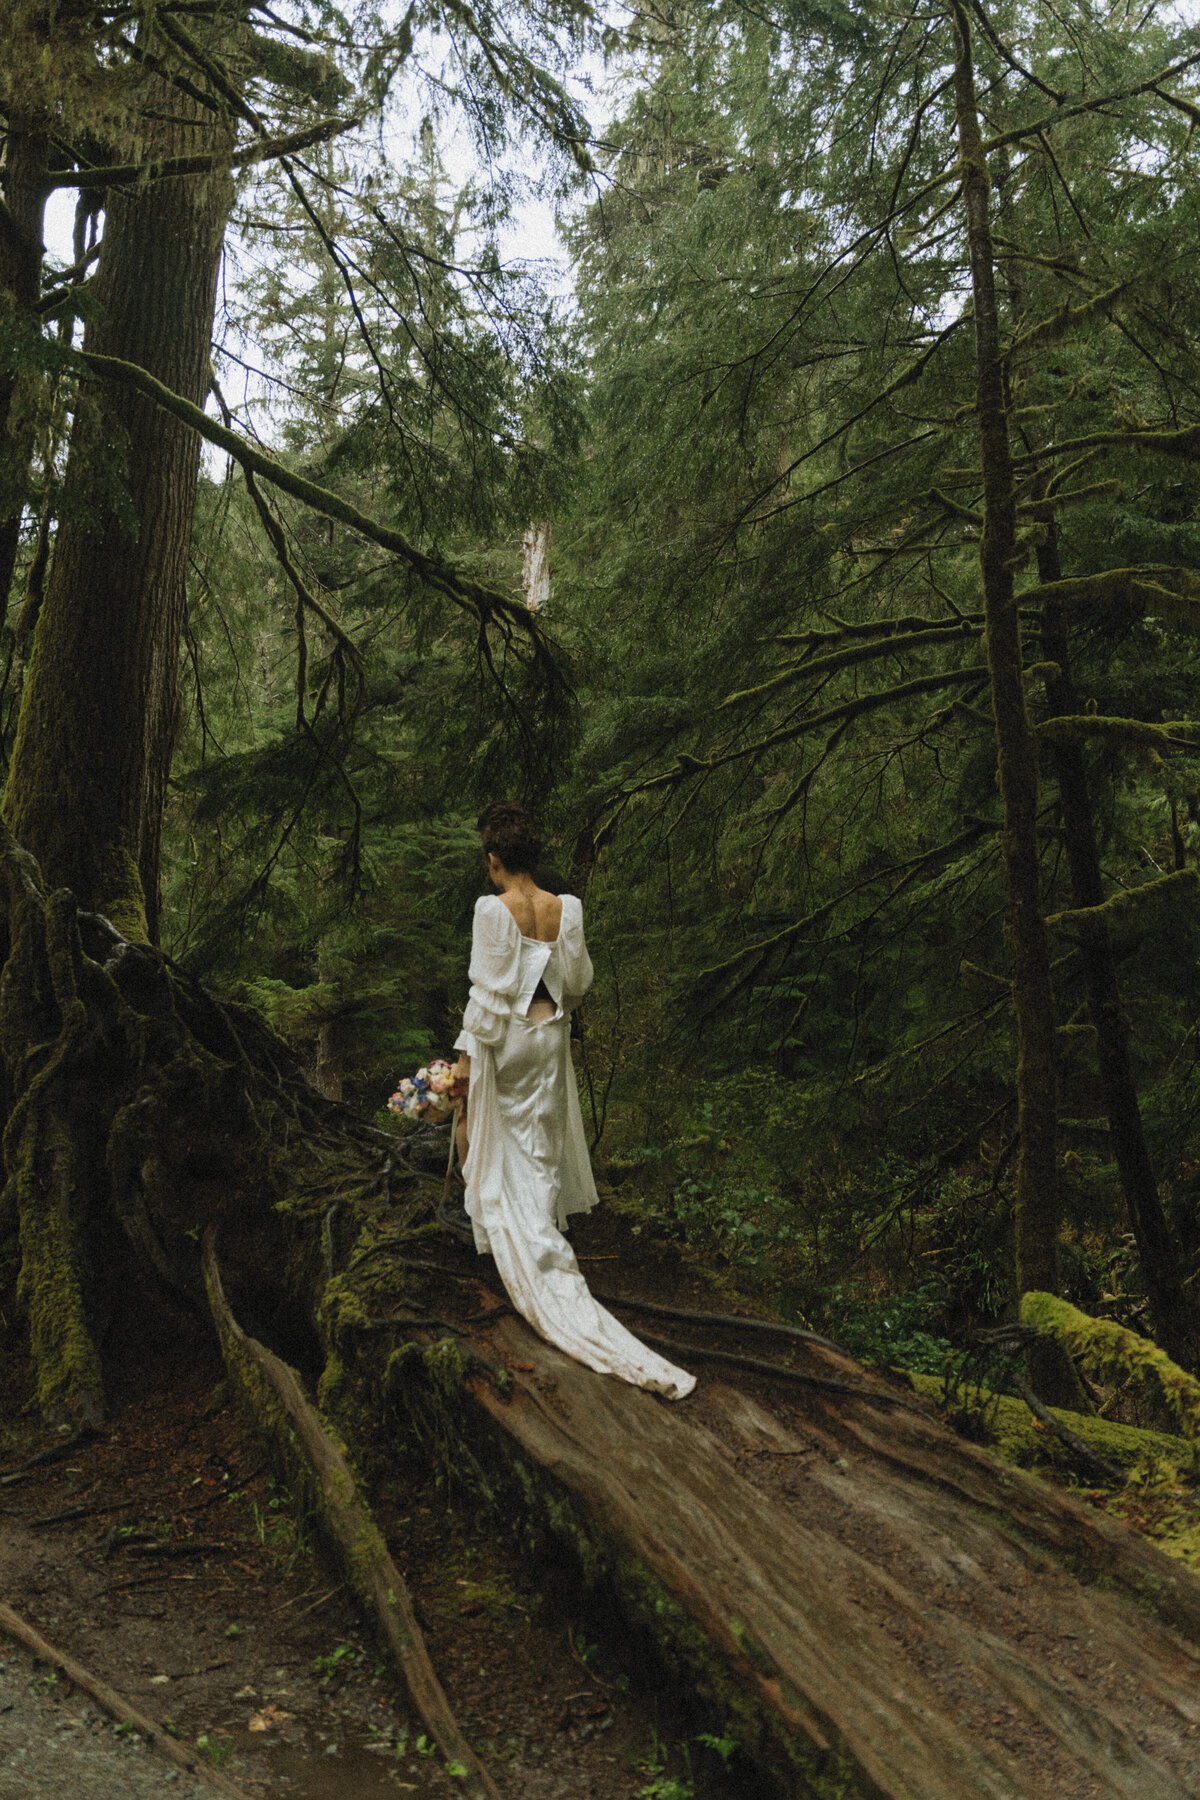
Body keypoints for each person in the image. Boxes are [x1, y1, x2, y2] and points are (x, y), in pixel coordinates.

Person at [448, 803, 695, 1401]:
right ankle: (536, 1231)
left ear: (495, 860)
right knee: (536, 1144)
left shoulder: (492, 909)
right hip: (549, 1038)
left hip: (504, 1041)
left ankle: (507, 1239)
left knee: (475, 1130)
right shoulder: (567, 908)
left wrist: (461, 1062)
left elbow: (486, 993)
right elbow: (578, 982)